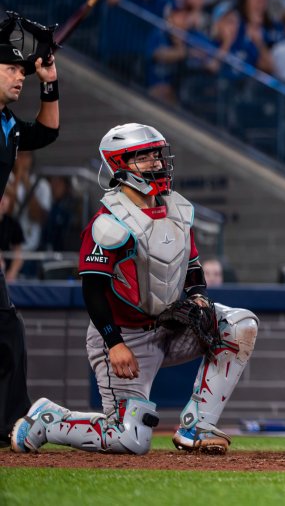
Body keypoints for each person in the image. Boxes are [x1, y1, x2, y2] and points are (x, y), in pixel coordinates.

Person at [10, 123, 258, 455]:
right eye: (144, 156)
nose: (156, 162)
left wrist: (198, 297)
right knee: (129, 439)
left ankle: (197, 426)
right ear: (120, 164)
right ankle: (48, 420)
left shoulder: (178, 210)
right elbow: (93, 291)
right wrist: (114, 343)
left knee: (240, 326)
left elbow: (192, 266)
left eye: (157, 154)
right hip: (124, 339)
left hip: (169, 326)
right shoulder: (109, 221)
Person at [0, 13, 59, 445]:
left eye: (23, 71)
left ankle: (8, 425)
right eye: (11, 69)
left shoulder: (7, 125)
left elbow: (46, 133)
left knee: (8, 332)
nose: (20, 77)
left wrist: (49, 82)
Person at [0, 186, 26, 282]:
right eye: (2, 196)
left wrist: (11, 273)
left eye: (6, 196)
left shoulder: (13, 224)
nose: (3, 201)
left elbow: (18, 253)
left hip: (6, 276)